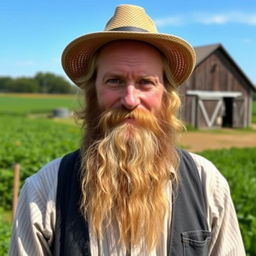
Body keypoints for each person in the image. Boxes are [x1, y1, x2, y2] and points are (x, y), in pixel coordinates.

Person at [9, 4, 245, 256]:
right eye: (115, 81)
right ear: (92, 93)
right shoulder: (44, 192)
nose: (130, 100)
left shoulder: (208, 185)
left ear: (166, 96)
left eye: (146, 82)